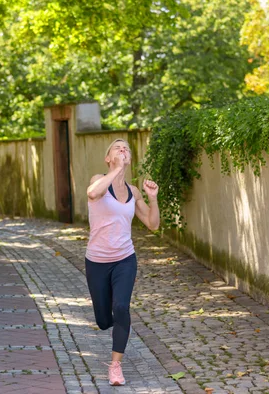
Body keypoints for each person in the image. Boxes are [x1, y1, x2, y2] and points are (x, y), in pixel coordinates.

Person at [85, 138, 160, 386]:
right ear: (108, 158)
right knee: (104, 320)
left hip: (125, 259)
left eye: (126, 147)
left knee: (121, 308)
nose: (122, 149)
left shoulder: (133, 191)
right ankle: (108, 324)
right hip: (96, 261)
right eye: (117, 147)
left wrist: (152, 197)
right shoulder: (99, 180)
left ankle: (115, 366)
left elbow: (152, 224)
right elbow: (92, 194)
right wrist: (116, 170)